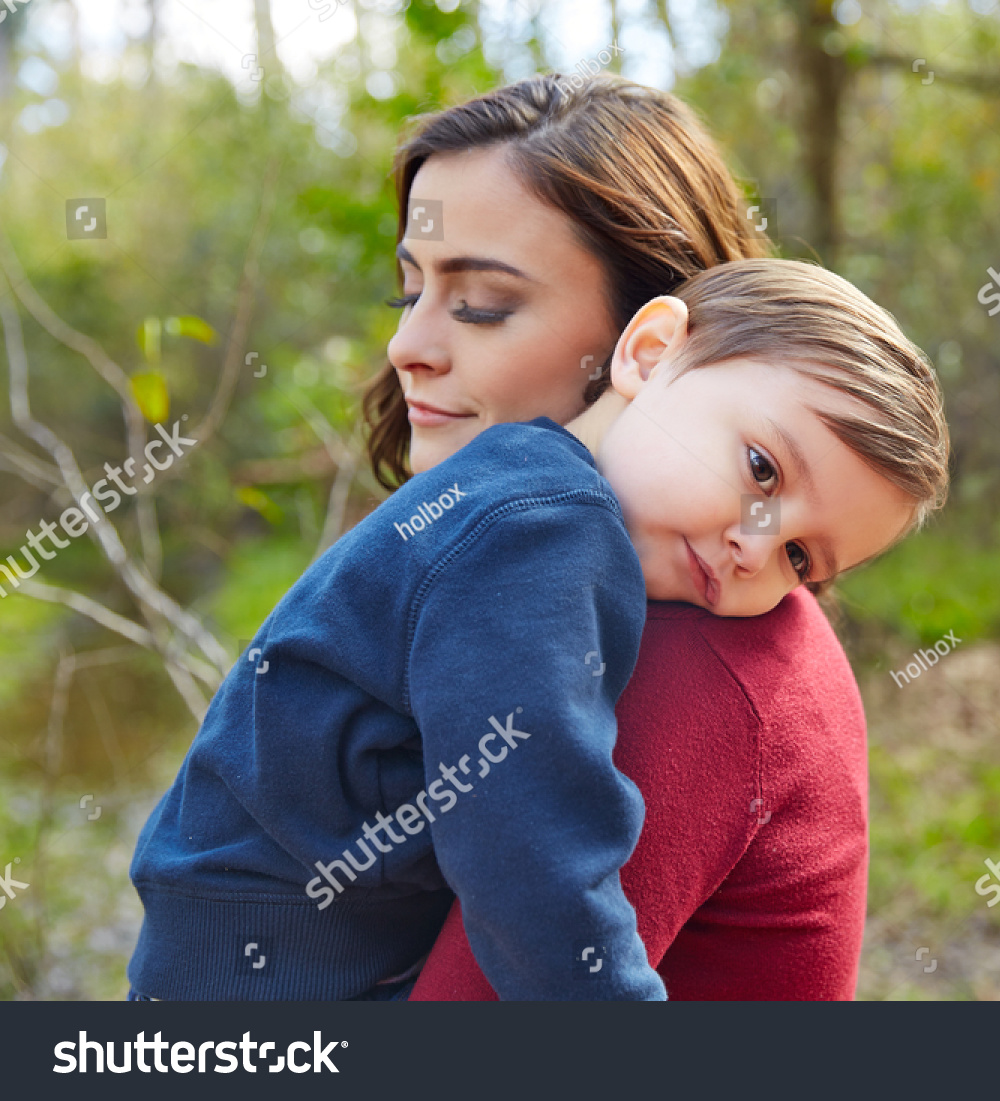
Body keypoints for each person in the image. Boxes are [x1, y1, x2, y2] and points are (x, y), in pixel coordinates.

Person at [125, 254, 948, 1001]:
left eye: (802, 559)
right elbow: (533, 858)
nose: (754, 547)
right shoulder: (539, 536)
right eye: (762, 470)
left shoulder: (524, 488)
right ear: (651, 352)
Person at [381, 72, 908, 1002]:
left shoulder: (686, 649)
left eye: (483, 303)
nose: (407, 346)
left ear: (645, 339)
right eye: (411, 290)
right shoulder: (554, 585)